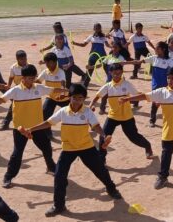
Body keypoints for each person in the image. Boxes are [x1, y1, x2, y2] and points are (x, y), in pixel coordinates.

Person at [19, 83, 122, 217]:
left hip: (86, 147)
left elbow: (95, 126)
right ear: (69, 97)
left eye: (80, 98)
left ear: (84, 99)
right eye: (74, 97)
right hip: (68, 148)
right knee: (59, 176)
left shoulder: (87, 112)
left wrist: (103, 136)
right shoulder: (63, 112)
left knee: (100, 170)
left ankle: (111, 188)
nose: (77, 100)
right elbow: (48, 123)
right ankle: (58, 205)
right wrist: (30, 129)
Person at [0, 65, 64, 188]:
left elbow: (53, 90)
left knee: (47, 148)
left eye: (34, 78)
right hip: (20, 129)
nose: (32, 80)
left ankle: (51, 167)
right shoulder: (15, 91)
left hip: (37, 127)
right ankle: (8, 176)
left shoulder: (38, 88)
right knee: (17, 154)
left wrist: (68, 91)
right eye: (29, 78)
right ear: (22, 78)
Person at [90, 63, 153, 162]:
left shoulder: (127, 84)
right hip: (113, 116)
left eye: (119, 73)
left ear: (122, 73)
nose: (116, 76)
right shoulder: (107, 86)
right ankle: (102, 159)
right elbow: (97, 96)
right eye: (114, 73)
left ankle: (147, 146)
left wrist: (149, 96)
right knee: (103, 136)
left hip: (126, 117)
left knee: (134, 137)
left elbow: (137, 95)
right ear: (110, 73)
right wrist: (92, 105)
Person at [72, 22, 109, 88]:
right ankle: (85, 85)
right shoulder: (91, 37)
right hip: (93, 55)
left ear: (100, 29)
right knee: (89, 71)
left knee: (107, 68)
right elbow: (83, 45)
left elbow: (107, 45)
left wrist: (113, 47)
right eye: (96, 28)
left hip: (102, 55)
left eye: (98, 28)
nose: (97, 29)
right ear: (94, 29)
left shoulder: (104, 37)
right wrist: (75, 43)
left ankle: (110, 81)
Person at [0, 50, 28, 130]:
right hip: (18, 90)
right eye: (22, 59)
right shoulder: (13, 67)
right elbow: (11, 77)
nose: (24, 61)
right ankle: (6, 123)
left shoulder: (30, 66)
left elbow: (35, 79)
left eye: (25, 59)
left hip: (29, 90)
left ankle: (6, 123)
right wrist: (8, 85)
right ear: (17, 59)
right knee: (13, 107)